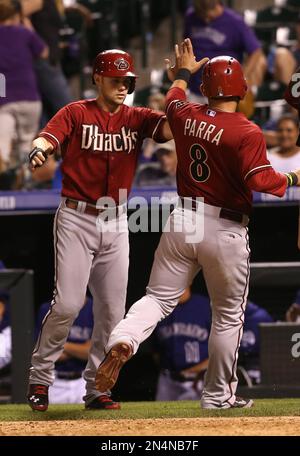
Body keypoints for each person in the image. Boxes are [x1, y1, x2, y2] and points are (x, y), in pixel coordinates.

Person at [95, 38, 300, 409]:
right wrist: (294, 178)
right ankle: (218, 395)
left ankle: (122, 339)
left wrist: (184, 72)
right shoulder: (247, 130)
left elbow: (174, 94)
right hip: (225, 226)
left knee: (157, 298)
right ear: (241, 87)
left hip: (184, 218)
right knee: (227, 316)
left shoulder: (183, 113)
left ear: (206, 88)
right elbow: (263, 182)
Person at [26, 48, 172, 412]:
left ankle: (96, 390)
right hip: (77, 216)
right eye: (115, 80)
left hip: (116, 218)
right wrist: (40, 149)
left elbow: (169, 129)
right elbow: (48, 137)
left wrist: (179, 83)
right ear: (98, 79)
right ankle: (40, 378)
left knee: (111, 311)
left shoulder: (137, 116)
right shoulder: (76, 111)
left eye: (127, 81)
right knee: (69, 304)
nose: (122, 86)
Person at [183, 0, 266, 101]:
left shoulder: (235, 21)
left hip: (224, 92)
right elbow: (186, 45)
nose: (205, 19)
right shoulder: (191, 16)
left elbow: (255, 51)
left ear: (217, 4)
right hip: (195, 89)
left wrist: (243, 77)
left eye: (208, 14)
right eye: (201, 15)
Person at [0, 0, 48, 171]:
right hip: (29, 95)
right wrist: (28, 27)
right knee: (26, 145)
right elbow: (43, 52)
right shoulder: (24, 33)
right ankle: (26, 179)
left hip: (4, 97)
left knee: (2, 146)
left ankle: (5, 181)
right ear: (15, 16)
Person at [153, 288, 211, 401]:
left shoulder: (205, 306)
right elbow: (155, 349)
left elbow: (219, 349)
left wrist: (195, 370)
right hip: (168, 380)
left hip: (199, 379)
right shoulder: (161, 308)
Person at [35, 296, 93, 404]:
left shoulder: (94, 308)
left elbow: (92, 352)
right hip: (54, 381)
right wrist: (80, 349)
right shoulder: (47, 309)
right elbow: (45, 353)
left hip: (84, 381)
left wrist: (61, 345)